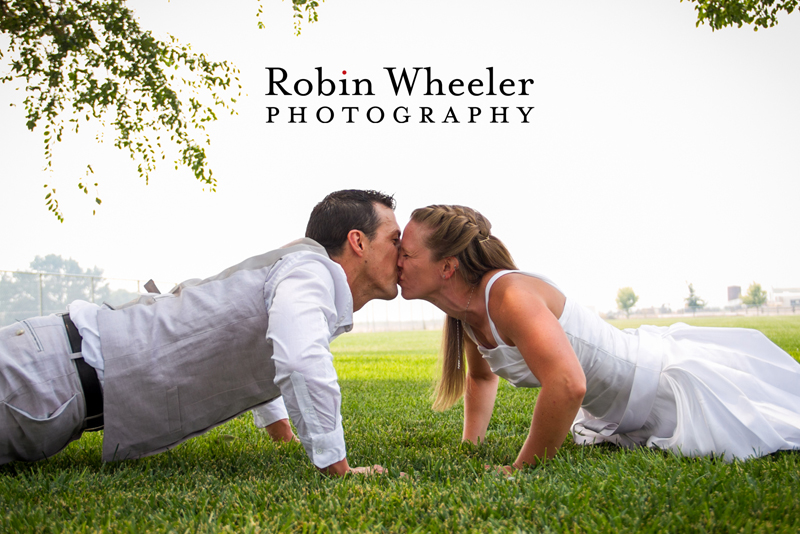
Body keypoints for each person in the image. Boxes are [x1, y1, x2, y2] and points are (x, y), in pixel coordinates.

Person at [1, 189, 401, 476]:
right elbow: (298, 359)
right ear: (358, 242)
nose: (401, 253)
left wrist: (283, 435)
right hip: (47, 376)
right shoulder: (311, 272)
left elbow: (265, 347)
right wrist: (336, 465)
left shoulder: (304, 276)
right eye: (394, 239)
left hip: (60, 380)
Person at [397, 204, 800, 471]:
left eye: (407, 255)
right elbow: (483, 377)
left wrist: (520, 468)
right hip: (614, 413)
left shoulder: (509, 296)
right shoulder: (466, 311)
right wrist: (472, 446)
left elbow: (568, 384)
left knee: (773, 427)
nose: (397, 262)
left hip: (660, 387)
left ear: (447, 266)